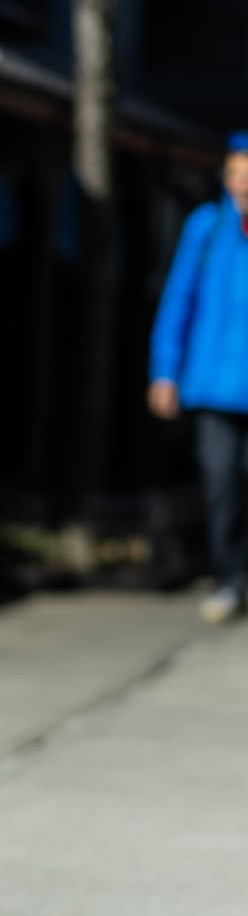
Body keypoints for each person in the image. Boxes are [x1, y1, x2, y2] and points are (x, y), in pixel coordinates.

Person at [149, 133, 248, 624]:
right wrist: (164, 370)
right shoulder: (206, 228)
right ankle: (230, 577)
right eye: (235, 173)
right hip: (213, 386)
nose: (242, 183)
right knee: (221, 483)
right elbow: (178, 301)